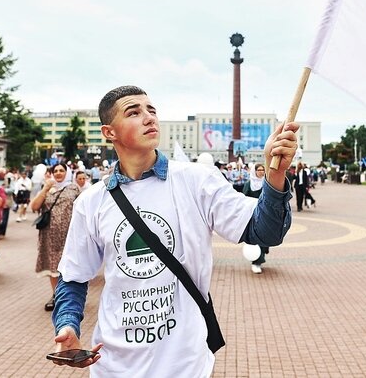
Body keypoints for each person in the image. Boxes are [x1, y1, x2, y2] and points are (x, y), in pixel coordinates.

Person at [49, 85, 299, 374]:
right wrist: (67, 323)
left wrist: (276, 172)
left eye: (151, 110)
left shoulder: (197, 181)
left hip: (184, 363)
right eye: (134, 112)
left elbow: (265, 232)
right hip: (114, 365)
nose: (149, 117)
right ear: (109, 132)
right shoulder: (92, 201)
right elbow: (74, 276)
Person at [30, 163, 81, 311]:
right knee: (53, 266)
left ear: (67, 172)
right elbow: (34, 207)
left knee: (69, 266)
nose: (58, 173)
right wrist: (46, 188)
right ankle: (56, 295)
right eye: (56, 171)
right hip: (49, 234)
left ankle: (70, 296)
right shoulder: (46, 189)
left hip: (69, 234)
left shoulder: (74, 188)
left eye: (62, 170)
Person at [242, 163, 270, 274]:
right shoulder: (249, 184)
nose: (261, 172)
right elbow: (244, 199)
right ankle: (256, 261)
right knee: (255, 238)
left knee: (264, 237)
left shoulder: (266, 184)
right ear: (254, 171)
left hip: (265, 215)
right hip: (252, 215)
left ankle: (260, 258)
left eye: (263, 170)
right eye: (259, 170)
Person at [0, 167, 14, 237]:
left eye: (1, 174)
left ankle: (2, 232)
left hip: (6, 201)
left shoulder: (9, 180)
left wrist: (2, 190)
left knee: (4, 218)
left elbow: (12, 189)